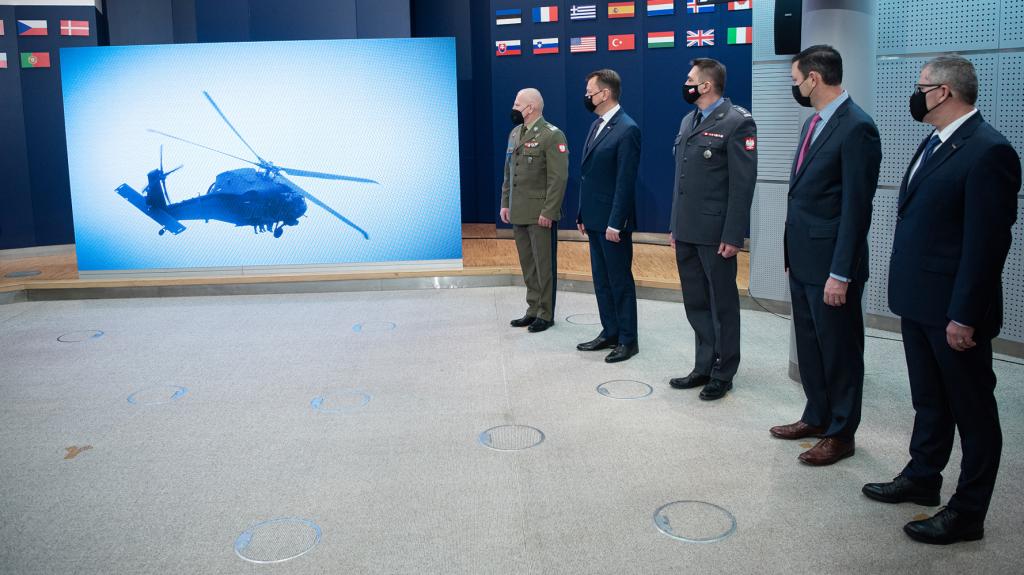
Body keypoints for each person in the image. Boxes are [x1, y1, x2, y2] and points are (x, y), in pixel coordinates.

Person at [862, 55, 1020, 545]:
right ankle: (923, 476)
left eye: (921, 87)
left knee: (973, 412)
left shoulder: (989, 150)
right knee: (929, 400)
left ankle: (968, 512)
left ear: (944, 92)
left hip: (954, 311)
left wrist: (964, 315)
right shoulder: (935, 140)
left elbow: (986, 245)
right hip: (919, 301)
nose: (916, 95)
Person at [769, 45, 881, 466]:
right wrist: (790, 252)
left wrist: (841, 273)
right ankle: (816, 415)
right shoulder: (812, 124)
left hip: (833, 266)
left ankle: (841, 432)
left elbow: (856, 209)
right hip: (803, 259)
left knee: (840, 352)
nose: (795, 87)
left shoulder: (857, 127)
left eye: (796, 80)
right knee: (812, 345)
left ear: (814, 78)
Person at [667, 58, 757, 401]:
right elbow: (681, 182)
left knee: (722, 305)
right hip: (687, 230)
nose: (686, 83)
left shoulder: (737, 122)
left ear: (706, 86)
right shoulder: (689, 119)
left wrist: (733, 235)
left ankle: (723, 371)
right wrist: (674, 226)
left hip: (716, 234)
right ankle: (703, 364)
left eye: (690, 79)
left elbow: (742, 185)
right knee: (696, 302)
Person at [575, 69, 642, 363]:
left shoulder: (627, 129)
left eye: (590, 91)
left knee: (619, 282)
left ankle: (628, 340)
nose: (586, 96)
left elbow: (625, 181)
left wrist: (617, 221)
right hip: (594, 218)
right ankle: (610, 331)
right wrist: (582, 213)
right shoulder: (596, 125)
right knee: (601, 280)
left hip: (613, 223)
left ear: (605, 93)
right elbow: (589, 175)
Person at [500, 88, 569, 333]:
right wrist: (505, 203)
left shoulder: (552, 135)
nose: (514, 108)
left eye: (517, 104)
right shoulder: (515, 133)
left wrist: (549, 211)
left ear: (531, 108)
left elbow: (558, 178)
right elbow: (508, 172)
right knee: (528, 264)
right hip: (518, 210)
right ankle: (533, 309)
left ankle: (545, 314)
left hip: (540, 213)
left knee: (543, 265)